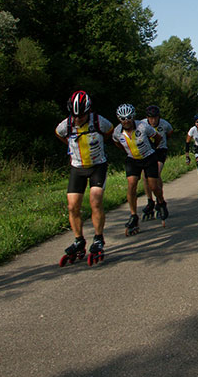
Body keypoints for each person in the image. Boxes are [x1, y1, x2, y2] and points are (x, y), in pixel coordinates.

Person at [54, 90, 113, 265]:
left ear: (88, 111)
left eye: (82, 116)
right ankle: (79, 240)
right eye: (75, 115)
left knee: (95, 201)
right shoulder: (67, 125)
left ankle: (98, 238)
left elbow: (109, 131)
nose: (78, 119)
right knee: (72, 206)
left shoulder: (98, 121)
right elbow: (58, 133)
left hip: (97, 166)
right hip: (77, 167)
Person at [112, 103, 166, 235]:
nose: (126, 121)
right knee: (131, 185)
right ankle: (133, 215)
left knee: (153, 186)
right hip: (133, 159)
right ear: (119, 119)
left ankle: (161, 202)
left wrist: (153, 148)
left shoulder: (143, 126)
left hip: (149, 157)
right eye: (123, 119)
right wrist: (127, 151)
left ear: (133, 117)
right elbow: (116, 142)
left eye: (129, 118)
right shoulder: (118, 131)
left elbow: (158, 137)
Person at [142, 105, 174, 219]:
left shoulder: (164, 124)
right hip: (147, 151)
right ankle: (150, 200)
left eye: (155, 117)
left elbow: (170, 133)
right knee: (145, 177)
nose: (153, 120)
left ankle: (160, 200)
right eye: (151, 118)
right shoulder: (142, 124)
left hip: (160, 149)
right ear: (147, 118)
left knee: (156, 173)